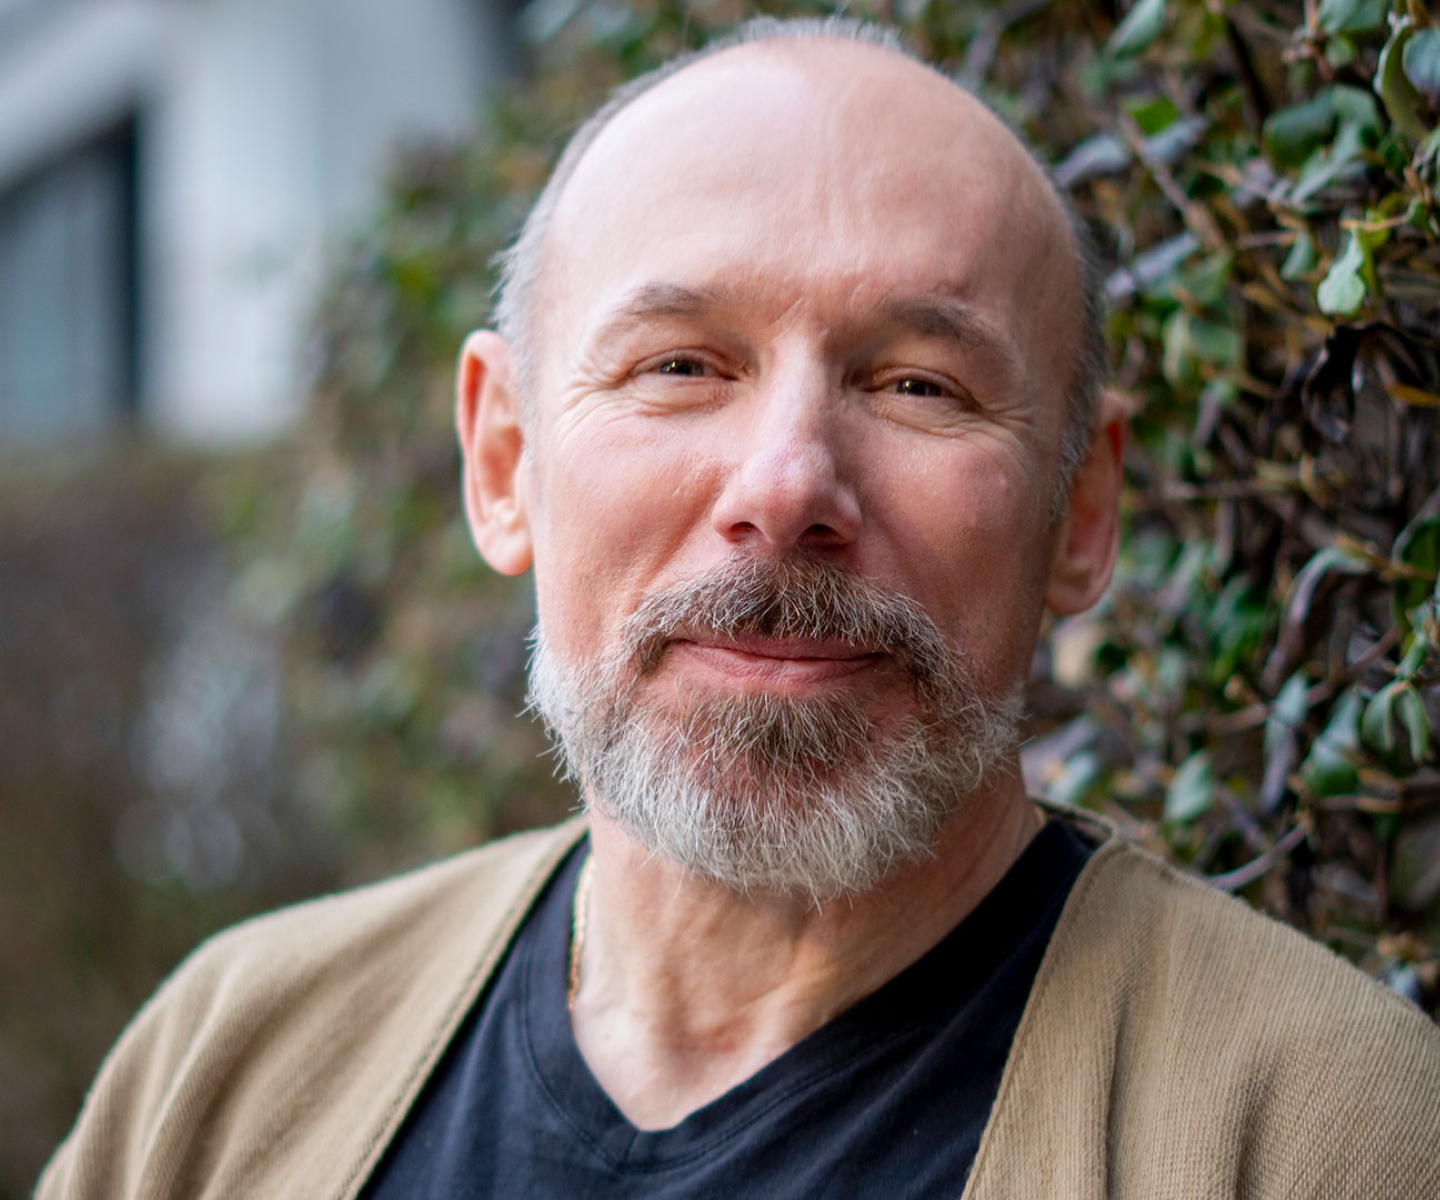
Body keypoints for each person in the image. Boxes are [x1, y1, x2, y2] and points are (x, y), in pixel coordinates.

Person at [39, 17, 1440, 1200]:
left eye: (918, 386)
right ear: (504, 464)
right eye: (681, 365)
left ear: (1080, 515)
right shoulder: (227, 1073)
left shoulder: (1322, 1132)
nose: (787, 487)